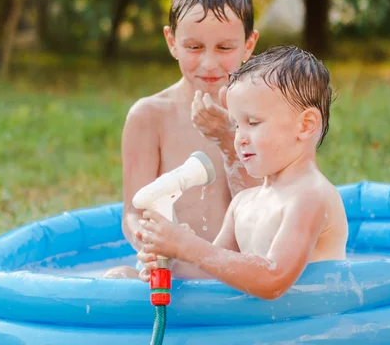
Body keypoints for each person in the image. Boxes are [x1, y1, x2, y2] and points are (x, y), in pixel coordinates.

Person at [135, 45, 349, 300]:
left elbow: (273, 280)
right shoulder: (243, 203)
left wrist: (188, 245)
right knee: (118, 274)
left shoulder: (310, 197)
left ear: (305, 125)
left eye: (253, 123)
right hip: (261, 329)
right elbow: (213, 274)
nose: (240, 138)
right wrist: (169, 260)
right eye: (236, 125)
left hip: (308, 330)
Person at [102, 0, 261, 279]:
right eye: (194, 47)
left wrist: (230, 142)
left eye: (225, 48)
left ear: (249, 45)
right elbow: (135, 211)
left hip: (238, 278)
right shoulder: (149, 117)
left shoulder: (262, 118)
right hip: (173, 275)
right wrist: (149, 242)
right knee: (116, 279)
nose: (209, 63)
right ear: (172, 41)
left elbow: (267, 207)